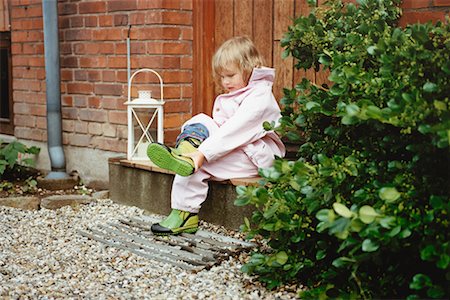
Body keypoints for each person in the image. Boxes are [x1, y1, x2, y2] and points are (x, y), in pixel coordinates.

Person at [147, 36, 285, 235]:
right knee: (201, 120)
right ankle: (186, 151)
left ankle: (185, 212)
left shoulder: (260, 96)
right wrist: (201, 150)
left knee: (199, 163)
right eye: (222, 77)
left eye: (230, 75)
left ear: (249, 68)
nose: (225, 81)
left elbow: (236, 129)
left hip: (254, 158)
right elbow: (220, 130)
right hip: (235, 151)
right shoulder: (237, 93)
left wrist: (203, 153)